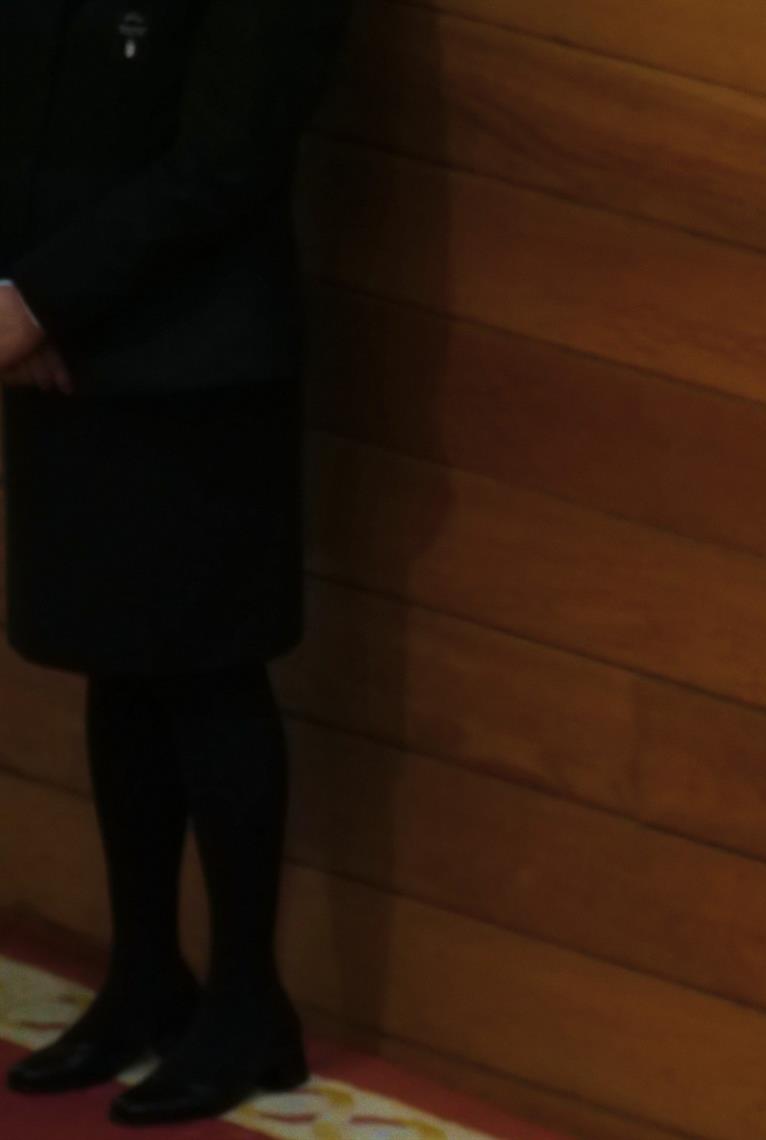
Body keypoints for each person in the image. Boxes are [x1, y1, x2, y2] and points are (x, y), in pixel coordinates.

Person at [0, 0, 349, 1126]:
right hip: (55, 344)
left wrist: (44, 301)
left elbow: (228, 157)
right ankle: (146, 976)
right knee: (118, 660)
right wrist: (20, 303)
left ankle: (250, 1005)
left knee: (210, 674)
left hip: (199, 353)